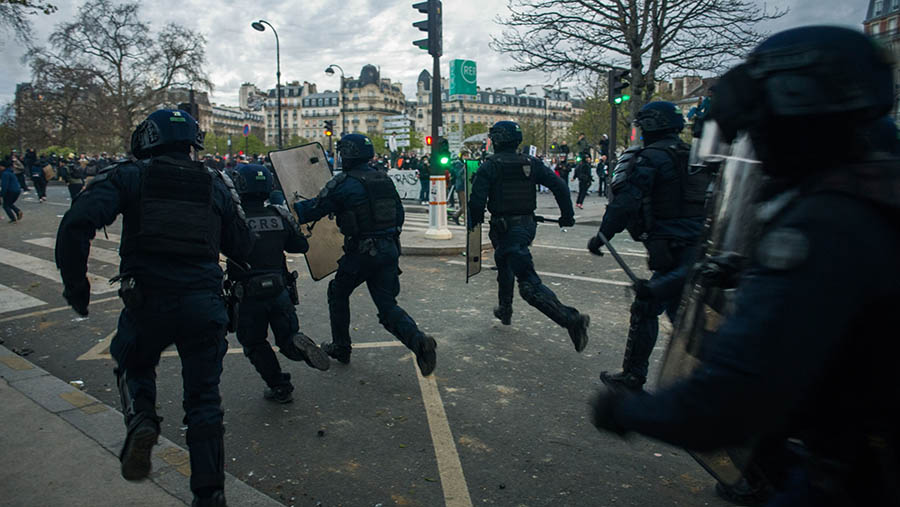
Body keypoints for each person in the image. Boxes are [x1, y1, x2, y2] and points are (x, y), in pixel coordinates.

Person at [591, 26, 900, 507]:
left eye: (761, 124)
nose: (756, 142)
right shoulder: (874, 191)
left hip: (852, 474)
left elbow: (738, 392)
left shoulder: (825, 224)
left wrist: (634, 412)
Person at [55, 109, 254, 507]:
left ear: (147, 139)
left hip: (148, 300)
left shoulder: (130, 175)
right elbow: (241, 245)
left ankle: (142, 417)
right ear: (193, 142)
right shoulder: (216, 182)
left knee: (133, 361)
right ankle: (210, 493)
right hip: (203, 301)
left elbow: (77, 222)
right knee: (204, 399)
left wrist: (77, 287)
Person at [293, 134, 437, 376]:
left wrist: (286, 206)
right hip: (389, 249)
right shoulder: (384, 179)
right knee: (387, 305)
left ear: (347, 154)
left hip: (362, 252)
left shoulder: (344, 183)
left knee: (337, 293)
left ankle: (341, 347)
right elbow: (399, 215)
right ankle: (419, 342)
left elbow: (313, 210)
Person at [588, 101, 707, 392]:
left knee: (650, 306)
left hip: (669, 244)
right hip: (696, 242)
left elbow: (625, 203)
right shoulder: (695, 155)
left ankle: (634, 376)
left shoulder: (649, 158)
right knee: (681, 313)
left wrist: (603, 234)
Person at [468, 121, 590, 352]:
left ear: (497, 140)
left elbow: (476, 201)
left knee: (528, 286)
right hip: (526, 225)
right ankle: (505, 309)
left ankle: (571, 319)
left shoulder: (490, 166)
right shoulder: (531, 163)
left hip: (505, 228)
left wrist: (474, 223)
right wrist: (567, 215)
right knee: (504, 264)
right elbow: (560, 187)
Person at [227, 163, 330, 404]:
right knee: (286, 338)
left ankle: (280, 386)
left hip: (249, 293)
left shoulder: (234, 219)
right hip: (279, 290)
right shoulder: (278, 214)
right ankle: (299, 347)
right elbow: (300, 246)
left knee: (254, 343)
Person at [1, 156, 23, 223]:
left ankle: (13, 218)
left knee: (5, 205)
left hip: (10, 191)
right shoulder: (11, 172)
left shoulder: (5, 174)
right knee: (9, 203)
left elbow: (5, 185)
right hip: (16, 190)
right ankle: (18, 211)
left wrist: (2, 194)